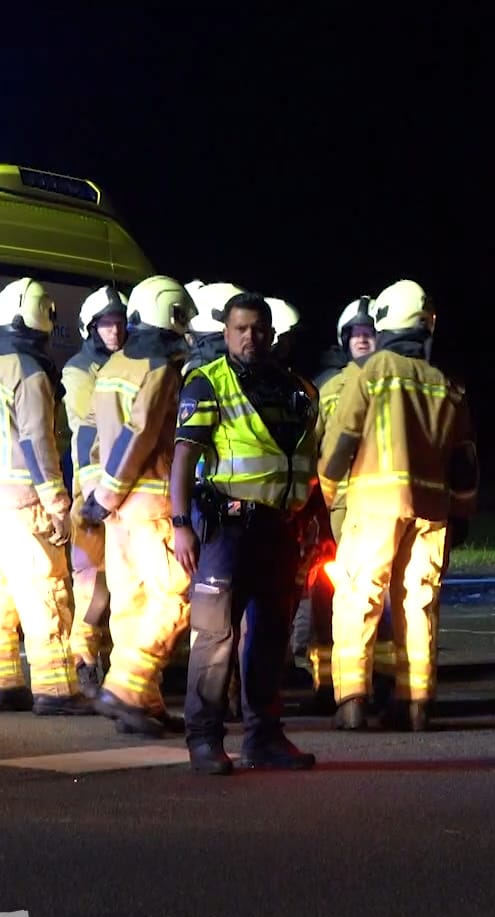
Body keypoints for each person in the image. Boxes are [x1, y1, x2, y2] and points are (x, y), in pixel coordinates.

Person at [171, 292, 320, 774]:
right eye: (240, 329)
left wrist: (310, 519)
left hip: (279, 528)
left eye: (258, 329)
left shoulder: (294, 388)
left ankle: (264, 738)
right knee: (215, 637)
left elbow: (302, 461)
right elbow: (183, 460)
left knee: (270, 636)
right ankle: (203, 740)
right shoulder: (207, 383)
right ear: (226, 333)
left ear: (271, 334)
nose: (250, 337)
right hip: (226, 530)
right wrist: (180, 525)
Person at [319, 279, 479, 732]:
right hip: (432, 509)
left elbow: (342, 440)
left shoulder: (372, 371)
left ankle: (351, 701)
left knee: (357, 598)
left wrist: (333, 493)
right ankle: (416, 703)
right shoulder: (447, 383)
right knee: (418, 602)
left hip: (371, 504)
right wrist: (462, 511)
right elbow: (465, 459)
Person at [0, 277, 90, 714]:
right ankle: (56, 690)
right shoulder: (29, 373)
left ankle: (2, 684)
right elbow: (37, 443)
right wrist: (57, 504)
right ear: (39, 317)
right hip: (21, 503)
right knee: (43, 590)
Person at [82, 274, 196, 736]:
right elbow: (142, 431)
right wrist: (111, 490)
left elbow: (91, 438)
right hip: (150, 503)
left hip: (117, 514)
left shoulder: (111, 368)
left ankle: (142, 705)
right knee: (175, 596)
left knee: (130, 602)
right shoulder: (161, 369)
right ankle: (127, 688)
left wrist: (98, 497)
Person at [291, 295, 383, 712]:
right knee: (330, 595)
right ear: (344, 340)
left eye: (370, 333)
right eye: (357, 334)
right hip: (337, 508)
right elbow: (313, 447)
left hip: (378, 504)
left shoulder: (390, 381)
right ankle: (325, 679)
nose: (363, 340)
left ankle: (373, 678)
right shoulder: (329, 388)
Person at [62, 285, 128, 696]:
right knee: (93, 588)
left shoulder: (123, 366)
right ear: (91, 328)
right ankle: (84, 660)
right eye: (106, 323)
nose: (115, 330)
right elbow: (90, 432)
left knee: (116, 585)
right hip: (93, 489)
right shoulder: (79, 371)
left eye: (120, 322)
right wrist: (91, 494)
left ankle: (104, 662)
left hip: (121, 489)